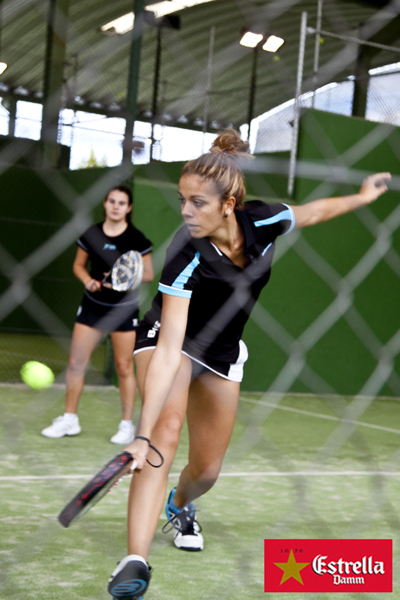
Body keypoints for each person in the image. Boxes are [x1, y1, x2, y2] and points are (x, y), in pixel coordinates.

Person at [106, 131, 390, 599]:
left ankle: (179, 506)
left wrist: (361, 198)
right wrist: (142, 431)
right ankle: (135, 560)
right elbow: (172, 343)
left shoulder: (265, 219)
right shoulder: (185, 250)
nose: (185, 212)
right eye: (182, 200)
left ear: (229, 203)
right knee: (167, 432)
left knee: (207, 471)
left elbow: (314, 212)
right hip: (169, 342)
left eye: (197, 202)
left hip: (222, 352)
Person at [41, 184, 154, 444]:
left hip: (124, 309)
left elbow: (147, 274)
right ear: (104, 204)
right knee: (75, 363)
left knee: (124, 367)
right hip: (93, 305)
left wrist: (125, 279)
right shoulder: (91, 233)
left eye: (121, 203)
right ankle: (70, 419)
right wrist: (87, 280)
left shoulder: (136, 239)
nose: (115, 206)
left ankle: (126, 425)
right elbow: (79, 266)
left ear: (129, 208)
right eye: (111, 201)